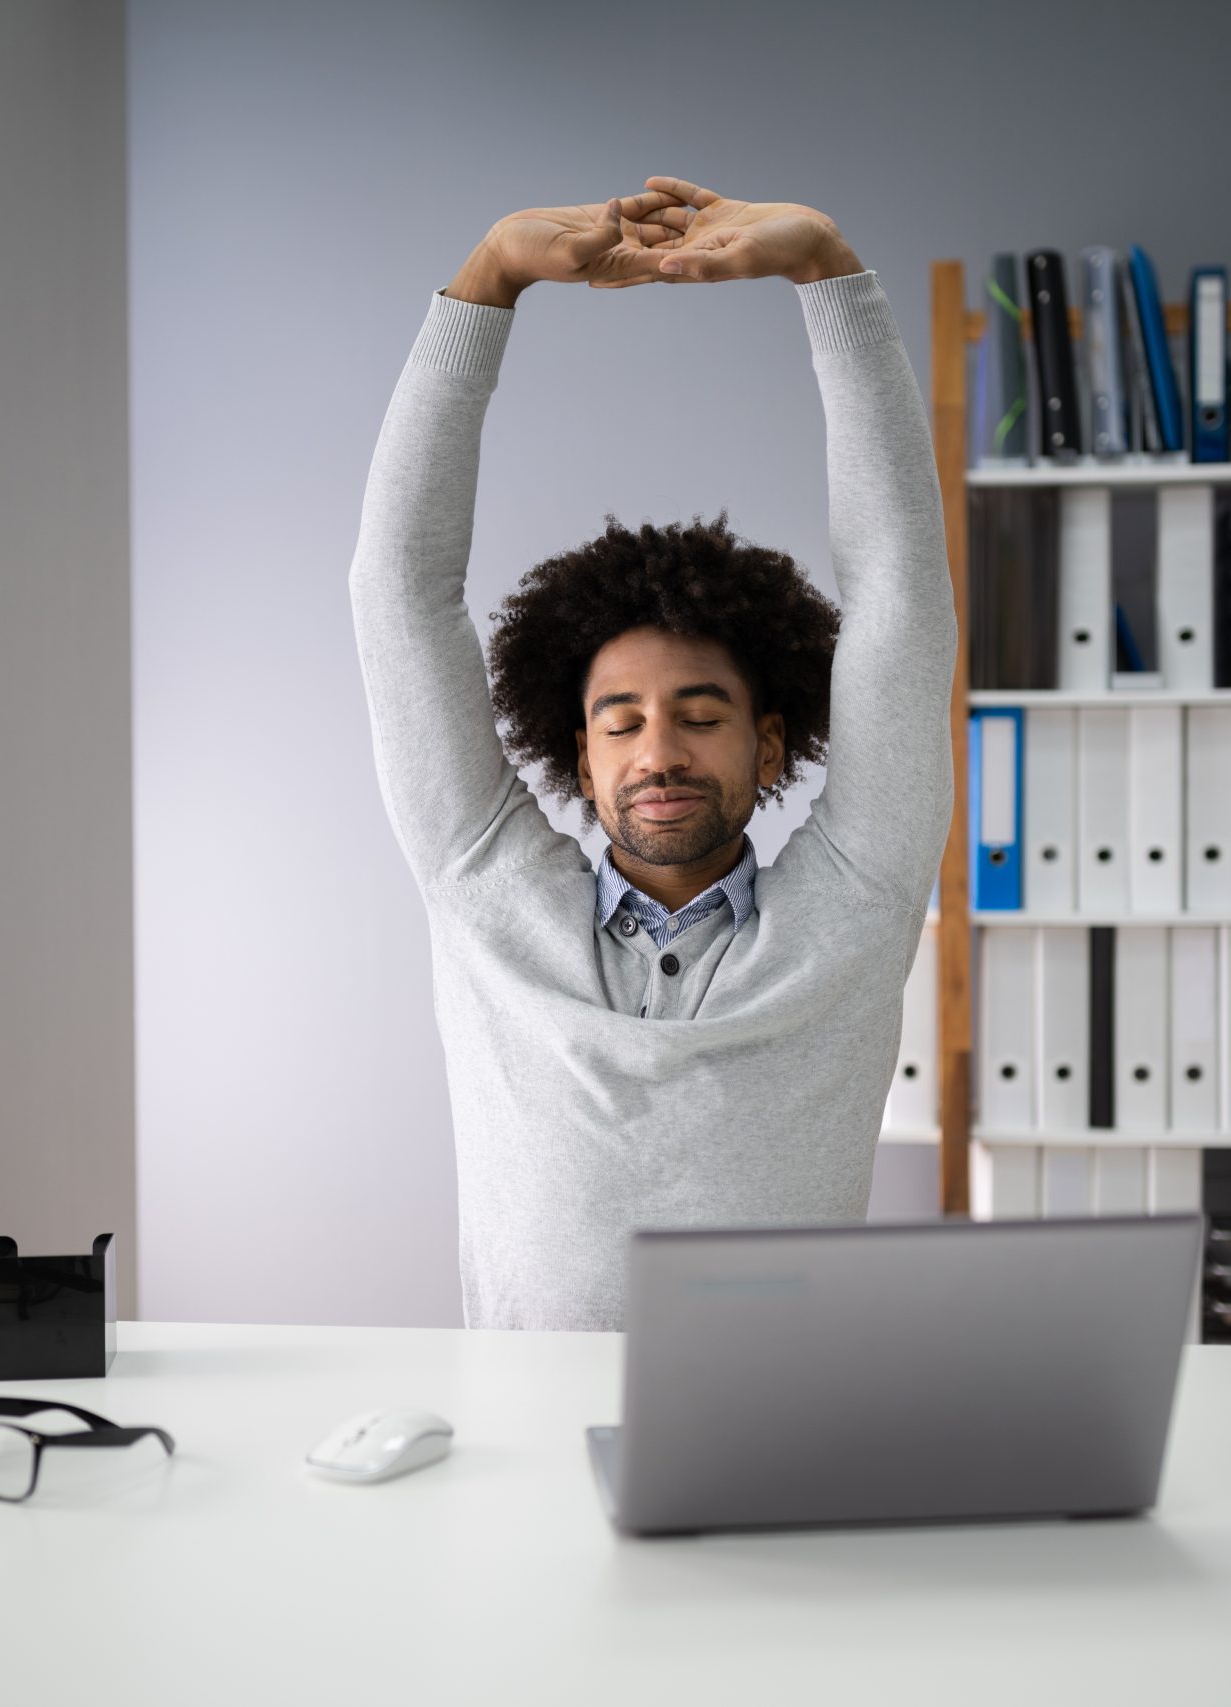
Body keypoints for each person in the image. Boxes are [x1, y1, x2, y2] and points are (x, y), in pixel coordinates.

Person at [348, 177, 953, 1330]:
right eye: (619, 722)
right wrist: (486, 283)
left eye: (701, 712)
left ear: (770, 740)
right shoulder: (485, 889)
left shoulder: (858, 903)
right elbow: (396, 592)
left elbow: (901, 601)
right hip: (517, 1455)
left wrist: (826, 268)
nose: (658, 750)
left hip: (778, 1455)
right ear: (579, 758)